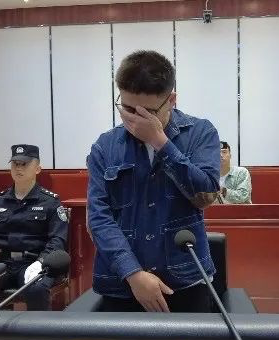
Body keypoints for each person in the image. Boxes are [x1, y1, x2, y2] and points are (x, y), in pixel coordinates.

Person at [87, 50, 220, 314]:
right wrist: (133, 273)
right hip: (121, 284)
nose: (133, 119)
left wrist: (160, 142)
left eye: (146, 112)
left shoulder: (200, 133)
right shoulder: (105, 146)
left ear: (171, 100)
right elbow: (99, 218)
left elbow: (205, 194)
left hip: (185, 280)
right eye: (127, 109)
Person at [0, 144, 68, 310]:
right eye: (15, 163)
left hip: (34, 263)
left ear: (37, 169)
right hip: (3, 264)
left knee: (37, 288)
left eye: (24, 164)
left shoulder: (50, 202)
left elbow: (57, 240)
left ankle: (38, 328)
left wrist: (41, 262)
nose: (18, 168)